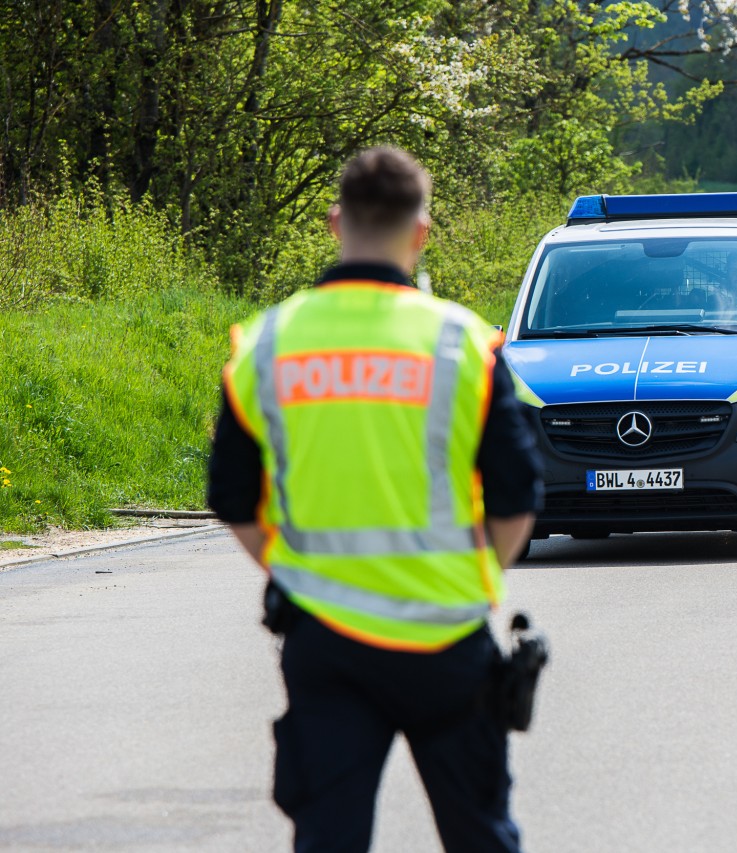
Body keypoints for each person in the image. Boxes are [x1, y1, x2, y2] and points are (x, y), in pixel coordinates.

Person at [206, 146, 542, 853]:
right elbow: (517, 498)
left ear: (335, 222)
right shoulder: (463, 343)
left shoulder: (267, 344)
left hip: (324, 643)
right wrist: (479, 576)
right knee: (480, 835)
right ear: (420, 232)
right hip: (447, 638)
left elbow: (232, 498)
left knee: (329, 839)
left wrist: (295, 572)